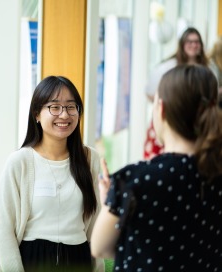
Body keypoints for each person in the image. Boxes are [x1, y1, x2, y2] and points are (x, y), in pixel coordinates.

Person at [91, 65, 222, 271]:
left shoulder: (134, 180)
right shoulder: (215, 174)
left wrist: (112, 200)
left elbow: (100, 248)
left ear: (161, 109)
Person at [0, 75, 104, 272]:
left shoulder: (90, 159)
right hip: (33, 260)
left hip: (79, 259)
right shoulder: (20, 162)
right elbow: (3, 229)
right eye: (54, 107)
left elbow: (96, 223)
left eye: (71, 107)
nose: (64, 115)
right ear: (37, 113)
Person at [143, 27, 208, 160]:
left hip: (195, 120)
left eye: (196, 42)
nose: (193, 45)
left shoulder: (206, 68)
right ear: (182, 44)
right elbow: (150, 91)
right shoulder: (168, 66)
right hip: (169, 117)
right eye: (189, 42)